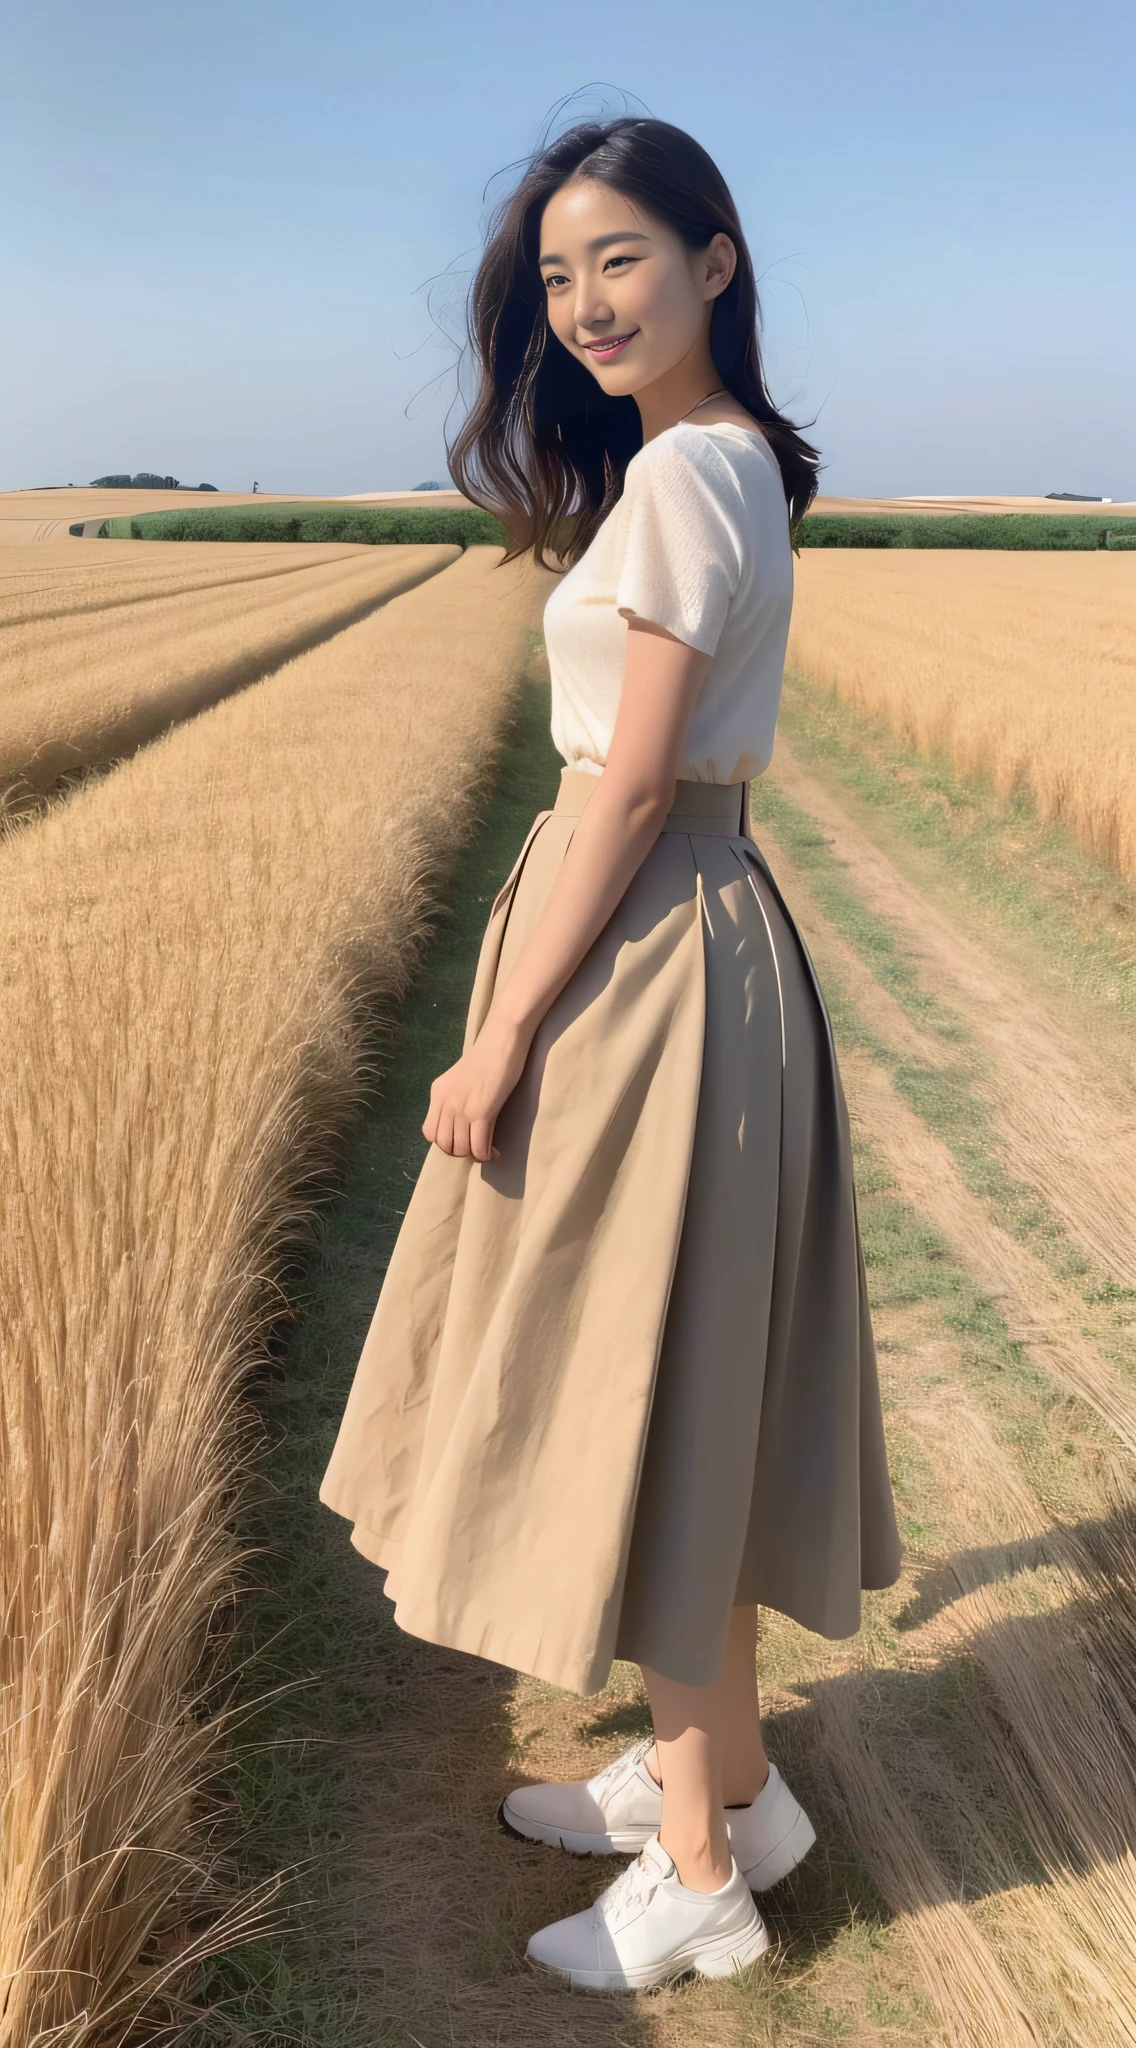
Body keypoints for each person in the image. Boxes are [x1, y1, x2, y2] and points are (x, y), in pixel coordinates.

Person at [320, 114, 902, 1994]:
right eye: (555, 277)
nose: (581, 304)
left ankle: (705, 1868)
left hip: (649, 954)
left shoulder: (681, 484)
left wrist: (496, 1042)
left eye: (621, 261)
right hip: (692, 942)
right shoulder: (709, 469)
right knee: (678, 1369)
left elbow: (634, 785)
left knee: (640, 1389)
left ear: (718, 261)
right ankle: (707, 1769)